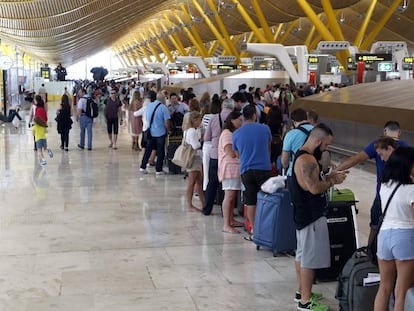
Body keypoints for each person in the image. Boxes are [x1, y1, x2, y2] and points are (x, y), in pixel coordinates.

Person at [290, 124, 348, 311]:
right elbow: (314, 188)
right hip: (311, 215)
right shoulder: (307, 160)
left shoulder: (301, 155)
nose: (326, 148)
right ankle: (305, 301)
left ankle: (302, 291)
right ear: (317, 140)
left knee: (301, 254)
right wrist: (332, 181)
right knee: (309, 257)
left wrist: (328, 176)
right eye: (326, 144)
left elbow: (311, 183)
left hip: (303, 213)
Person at [334, 121, 409, 244]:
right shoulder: (406, 147)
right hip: (402, 195)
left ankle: (370, 251)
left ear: (384, 131)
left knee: (375, 224)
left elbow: (356, 159)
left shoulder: (377, 145)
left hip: (382, 194)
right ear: (399, 132)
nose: (382, 157)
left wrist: (336, 170)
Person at [374, 147, 414, 311]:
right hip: (404, 237)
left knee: (384, 288)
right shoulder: (411, 189)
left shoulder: (385, 185)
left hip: (384, 237)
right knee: (401, 291)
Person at [232, 104, 273, 239]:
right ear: (255, 115)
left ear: (243, 117)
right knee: (267, 199)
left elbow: (237, 154)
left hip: (246, 170)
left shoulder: (236, 133)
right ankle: (267, 229)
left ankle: (254, 230)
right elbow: (268, 147)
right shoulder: (265, 129)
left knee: (250, 201)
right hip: (264, 169)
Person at [202, 98, 235, 216]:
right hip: (229, 156)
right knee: (225, 185)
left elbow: (207, 138)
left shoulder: (214, 118)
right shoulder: (235, 118)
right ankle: (225, 212)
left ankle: (207, 209)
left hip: (215, 154)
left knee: (212, 182)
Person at [218, 111, 243, 233]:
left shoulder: (232, 133)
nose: (241, 122)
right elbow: (230, 152)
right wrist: (241, 153)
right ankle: (226, 224)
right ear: (232, 120)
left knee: (233, 196)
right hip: (229, 168)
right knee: (229, 196)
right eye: (239, 120)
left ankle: (231, 220)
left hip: (234, 168)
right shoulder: (227, 134)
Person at [139, 92, 171, 175]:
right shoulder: (163, 107)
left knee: (148, 150)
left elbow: (146, 118)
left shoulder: (149, 106)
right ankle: (158, 170)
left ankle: (143, 167)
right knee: (160, 151)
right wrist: (169, 130)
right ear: (163, 99)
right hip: (160, 133)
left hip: (151, 132)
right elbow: (167, 121)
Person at [183, 111, 205, 211]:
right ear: (195, 120)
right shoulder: (192, 131)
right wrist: (201, 140)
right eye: (199, 120)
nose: (200, 122)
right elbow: (195, 145)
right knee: (192, 182)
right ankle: (189, 205)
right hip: (194, 158)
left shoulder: (188, 130)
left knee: (199, 182)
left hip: (195, 158)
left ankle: (203, 203)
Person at [281, 108, 313, 179]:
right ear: (306, 118)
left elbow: (284, 161)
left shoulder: (290, 134)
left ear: (293, 121)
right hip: (314, 174)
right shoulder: (317, 131)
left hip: (295, 174)